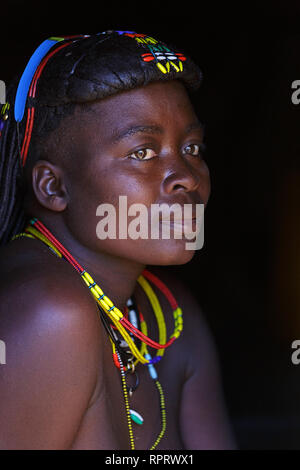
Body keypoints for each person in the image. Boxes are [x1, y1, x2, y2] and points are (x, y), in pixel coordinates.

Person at [0, 30, 235, 450]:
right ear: (53, 187)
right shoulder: (50, 314)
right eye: (142, 152)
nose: (186, 176)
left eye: (193, 147)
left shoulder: (169, 316)